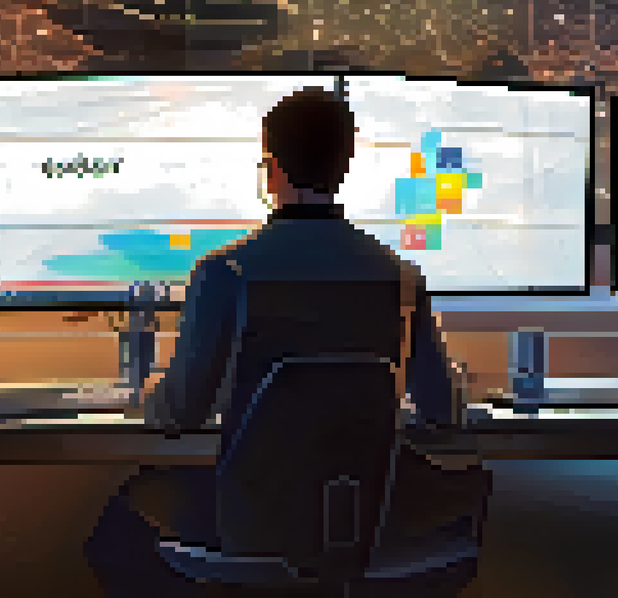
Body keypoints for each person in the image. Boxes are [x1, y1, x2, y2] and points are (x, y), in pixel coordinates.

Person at [85, 87, 490, 597]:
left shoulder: (225, 273)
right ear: (344, 168)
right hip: (370, 526)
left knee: (119, 527)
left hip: (250, 524)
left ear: (270, 170)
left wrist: (146, 390)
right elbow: (442, 413)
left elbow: (180, 414)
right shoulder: (401, 277)